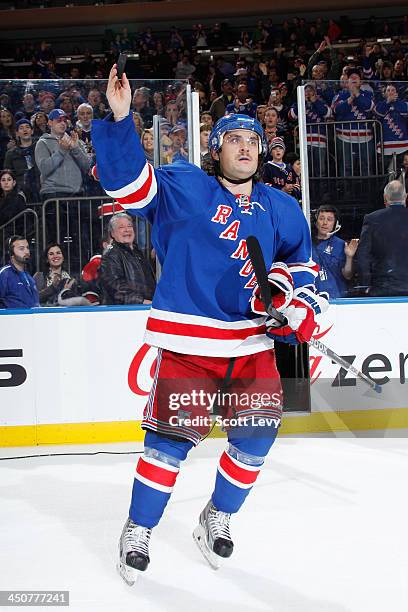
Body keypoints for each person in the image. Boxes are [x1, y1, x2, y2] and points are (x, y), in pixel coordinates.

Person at [91, 64, 326, 585]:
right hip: (190, 343)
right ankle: (139, 528)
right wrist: (121, 118)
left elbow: (303, 267)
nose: (245, 148)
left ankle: (215, 517)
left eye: (253, 141)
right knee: (168, 446)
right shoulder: (183, 186)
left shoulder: (281, 207)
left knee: (258, 439)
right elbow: (128, 184)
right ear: (215, 148)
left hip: (252, 349)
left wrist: (295, 304)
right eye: (234, 139)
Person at [356, 180, 408, 296]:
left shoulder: (372, 219)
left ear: (385, 198)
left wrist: (365, 285)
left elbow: (363, 255)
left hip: (383, 286)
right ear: (405, 197)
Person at [99, 212, 156, 305]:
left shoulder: (137, 252)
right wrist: (142, 301)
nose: (127, 230)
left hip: (144, 308)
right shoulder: (111, 255)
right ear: (112, 233)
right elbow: (116, 289)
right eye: (121, 227)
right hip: (124, 312)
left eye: (129, 226)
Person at [312, 205, 358, 298]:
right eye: (321, 218)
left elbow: (348, 275)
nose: (324, 223)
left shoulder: (340, 245)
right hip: (312, 295)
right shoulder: (306, 242)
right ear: (316, 222)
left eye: (329, 219)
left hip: (335, 297)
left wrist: (349, 257)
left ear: (335, 224)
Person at [0, 235, 39, 309]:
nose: (27, 251)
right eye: (21, 249)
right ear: (11, 253)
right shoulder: (4, 274)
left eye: (27, 248)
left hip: (31, 319)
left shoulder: (29, 277)